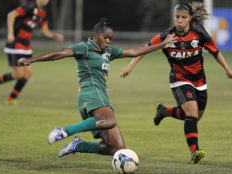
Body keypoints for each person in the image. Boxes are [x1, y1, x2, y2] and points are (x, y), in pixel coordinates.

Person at [18, 17, 176, 157]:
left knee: (116, 148)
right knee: (109, 119)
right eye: (105, 37)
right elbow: (60, 53)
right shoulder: (84, 47)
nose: (108, 41)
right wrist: (32, 60)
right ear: (95, 35)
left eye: (110, 38)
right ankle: (64, 130)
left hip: (98, 97)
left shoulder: (108, 51)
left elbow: (134, 51)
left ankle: (79, 145)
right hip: (90, 93)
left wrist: (161, 45)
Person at [120, 2, 232, 164]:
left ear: (190, 19)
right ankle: (194, 151)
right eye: (177, 17)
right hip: (179, 80)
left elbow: (215, 51)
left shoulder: (199, 33)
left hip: (199, 80)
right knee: (191, 113)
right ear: (174, 17)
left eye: (184, 17)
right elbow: (145, 48)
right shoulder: (167, 36)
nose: (180, 21)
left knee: (194, 117)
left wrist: (227, 68)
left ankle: (164, 111)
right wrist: (131, 65)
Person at [0, 0, 64, 105]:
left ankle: (11, 99)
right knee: (18, 74)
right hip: (15, 44)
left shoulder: (43, 13)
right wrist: (10, 34)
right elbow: (11, 15)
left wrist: (55, 35)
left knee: (27, 73)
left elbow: (45, 31)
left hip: (26, 46)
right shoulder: (30, 6)